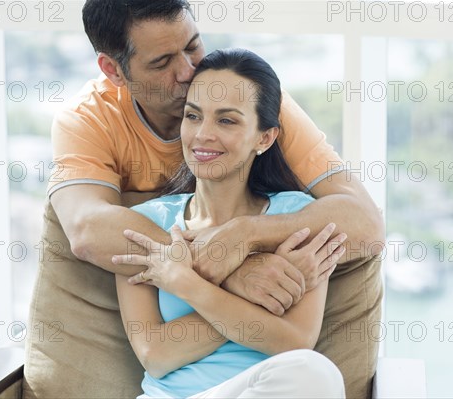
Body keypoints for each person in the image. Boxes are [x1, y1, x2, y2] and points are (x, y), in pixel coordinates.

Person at [23, 0, 384, 398]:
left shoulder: (252, 99)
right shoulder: (94, 130)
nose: (188, 71)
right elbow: (90, 232)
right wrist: (233, 272)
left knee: (313, 374)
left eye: (193, 46)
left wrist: (243, 236)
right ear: (114, 70)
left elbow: (365, 224)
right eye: (162, 63)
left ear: (264, 137)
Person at [115, 47, 346, 399]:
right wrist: (247, 291)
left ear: (264, 138)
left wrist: (187, 284)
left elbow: (293, 343)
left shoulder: (296, 219)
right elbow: (156, 355)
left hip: (268, 390)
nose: (203, 134)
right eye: (193, 116)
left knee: (314, 374)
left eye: (226, 120)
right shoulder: (147, 224)